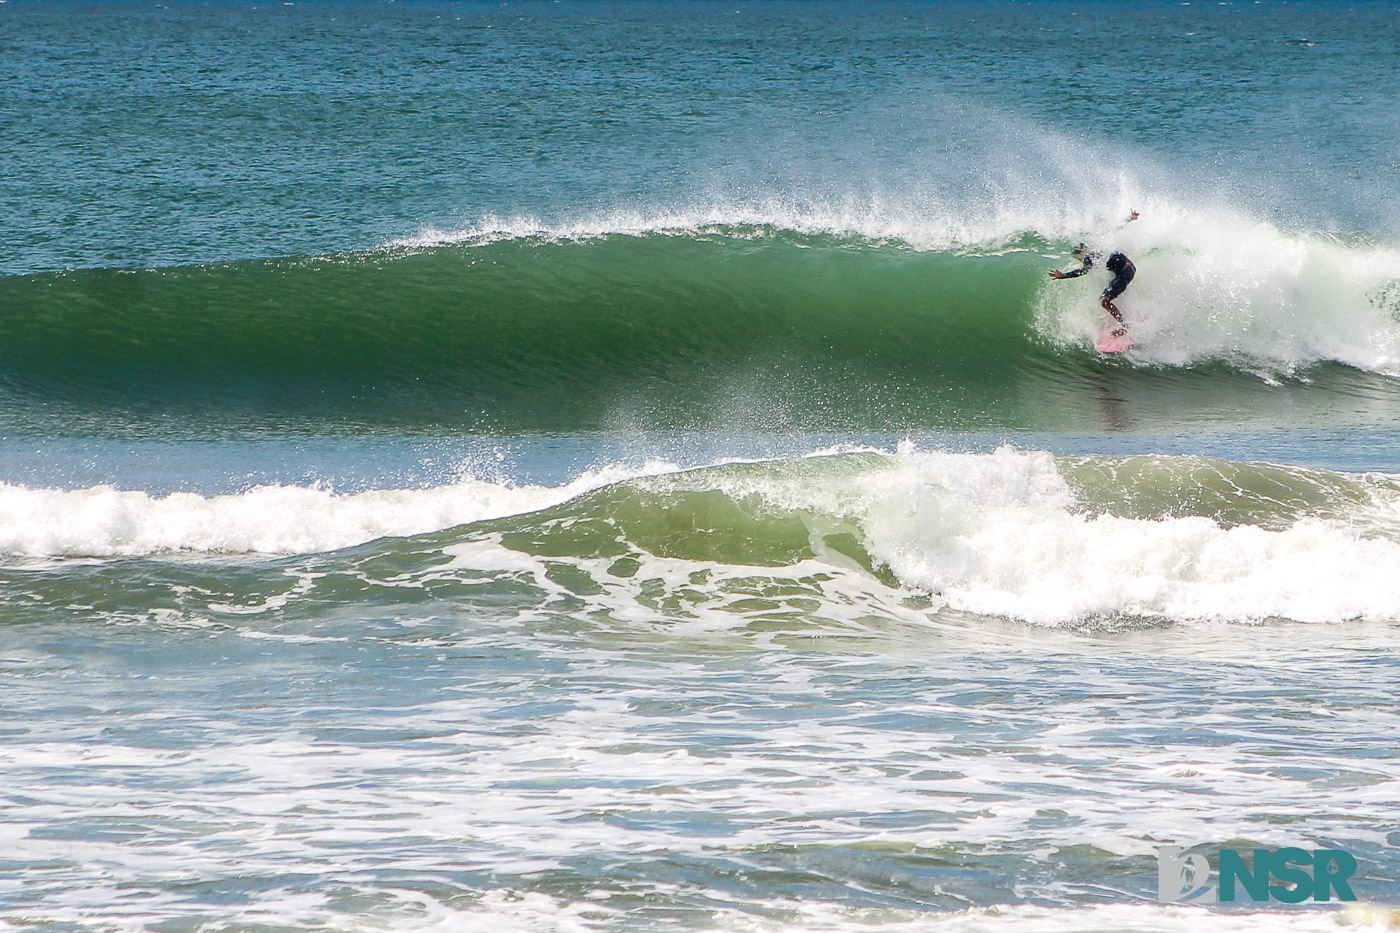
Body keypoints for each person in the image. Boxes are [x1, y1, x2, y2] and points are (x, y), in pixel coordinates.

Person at [1048, 210, 1138, 336]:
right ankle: (1125, 317)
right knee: (1107, 292)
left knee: (1104, 301)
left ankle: (1124, 325)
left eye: (1078, 256)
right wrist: (1130, 218)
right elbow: (1116, 229)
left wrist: (1063, 275)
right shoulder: (1100, 242)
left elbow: (1083, 271)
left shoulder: (1090, 256)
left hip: (1126, 272)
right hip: (1128, 269)